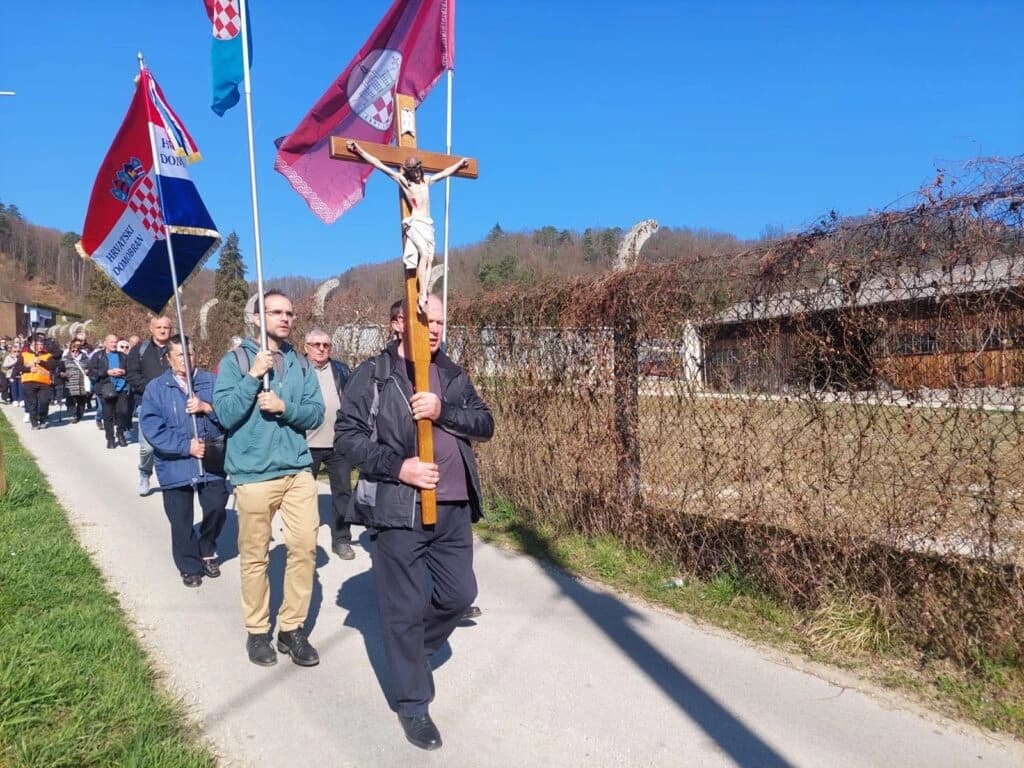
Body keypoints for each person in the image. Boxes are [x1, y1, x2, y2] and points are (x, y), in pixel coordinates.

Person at [336, 294, 494, 751]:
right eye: (429, 319)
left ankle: (413, 651)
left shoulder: (450, 372)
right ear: (398, 323)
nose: (438, 328)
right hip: (398, 509)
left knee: (460, 593)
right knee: (402, 608)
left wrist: (444, 411)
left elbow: (485, 423)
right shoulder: (375, 375)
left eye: (443, 320)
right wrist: (399, 467)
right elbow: (347, 439)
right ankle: (412, 704)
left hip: (454, 507)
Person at [213, 290, 326, 668]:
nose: (285, 318)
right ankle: (257, 630)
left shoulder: (301, 364)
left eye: (289, 313)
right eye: (276, 312)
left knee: (304, 547)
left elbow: (315, 413)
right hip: (253, 473)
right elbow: (225, 415)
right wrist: (252, 378)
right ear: (257, 318)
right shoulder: (235, 360)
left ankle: (291, 629)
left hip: (296, 471)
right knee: (255, 556)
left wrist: (285, 408)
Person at [140, 335, 228, 588]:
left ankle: (207, 546)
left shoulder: (212, 382)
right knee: (180, 518)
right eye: (179, 355)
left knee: (217, 506)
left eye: (189, 354)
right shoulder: (156, 388)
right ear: (168, 359)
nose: (185, 360)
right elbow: (152, 427)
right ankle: (189, 565)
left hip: (210, 460)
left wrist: (207, 408)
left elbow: (230, 416)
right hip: (175, 463)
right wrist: (185, 446)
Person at [346, 140, 469, 313]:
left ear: (420, 169)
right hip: (415, 223)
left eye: (417, 170)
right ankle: (422, 296)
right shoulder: (406, 183)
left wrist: (459, 164)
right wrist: (359, 150)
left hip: (428, 224)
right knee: (424, 255)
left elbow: (444, 173)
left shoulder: (427, 182)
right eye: (413, 172)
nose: (416, 174)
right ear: (409, 173)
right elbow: (380, 165)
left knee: (429, 259)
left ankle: (424, 290)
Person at [302, 328, 356, 560]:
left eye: (326, 345)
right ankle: (304, 543)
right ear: (306, 347)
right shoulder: (297, 369)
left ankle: (342, 539)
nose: (322, 349)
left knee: (343, 493)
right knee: (302, 496)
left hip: (338, 444)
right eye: (316, 344)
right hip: (304, 444)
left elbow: (352, 400)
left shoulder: (341, 370)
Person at [127, 316, 173, 495]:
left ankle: (173, 479)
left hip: (173, 403)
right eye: (159, 327)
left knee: (173, 444)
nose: (162, 330)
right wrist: (154, 389)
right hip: (147, 403)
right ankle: (145, 473)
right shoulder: (140, 349)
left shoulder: (177, 348)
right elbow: (132, 375)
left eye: (166, 327)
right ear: (151, 329)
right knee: (148, 447)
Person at [90, 334, 131, 449]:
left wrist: (123, 371)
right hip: (106, 389)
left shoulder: (123, 356)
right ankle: (110, 438)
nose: (113, 344)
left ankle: (120, 433)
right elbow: (92, 372)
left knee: (123, 412)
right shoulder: (98, 356)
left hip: (121, 388)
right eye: (111, 342)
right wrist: (107, 372)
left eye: (115, 342)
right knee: (108, 415)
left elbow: (130, 370)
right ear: (105, 343)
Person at [14, 334, 58, 429]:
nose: (41, 345)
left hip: (44, 383)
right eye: (38, 343)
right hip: (29, 382)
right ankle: (34, 423)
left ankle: (43, 419)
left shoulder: (47, 355)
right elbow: (18, 367)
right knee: (32, 403)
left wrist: (40, 362)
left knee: (44, 402)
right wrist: (29, 369)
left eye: (42, 343)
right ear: (32, 344)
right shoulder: (24, 354)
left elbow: (52, 366)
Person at [60, 337, 93, 423]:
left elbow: (92, 369)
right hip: (70, 384)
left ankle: (79, 414)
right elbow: (60, 371)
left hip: (82, 384)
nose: (75, 352)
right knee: (70, 401)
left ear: (80, 351)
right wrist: (64, 375)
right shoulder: (65, 359)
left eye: (77, 351)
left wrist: (88, 371)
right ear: (70, 350)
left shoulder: (86, 359)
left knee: (82, 402)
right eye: (72, 350)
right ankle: (72, 415)